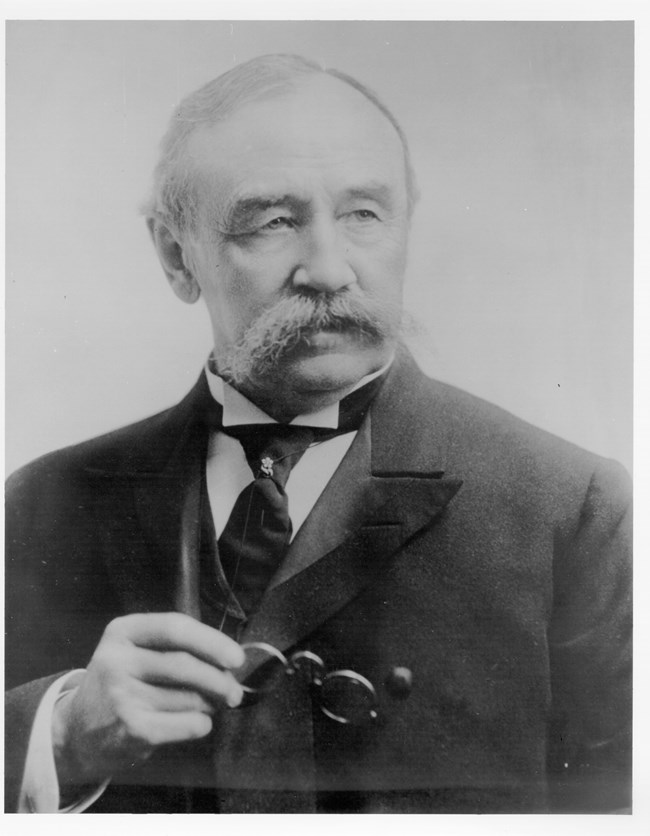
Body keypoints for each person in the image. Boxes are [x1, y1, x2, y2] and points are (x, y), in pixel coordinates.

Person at [5, 53, 631, 814]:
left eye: (365, 214)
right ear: (176, 254)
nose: (330, 269)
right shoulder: (43, 505)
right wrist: (62, 737)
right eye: (273, 220)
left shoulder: (570, 509)